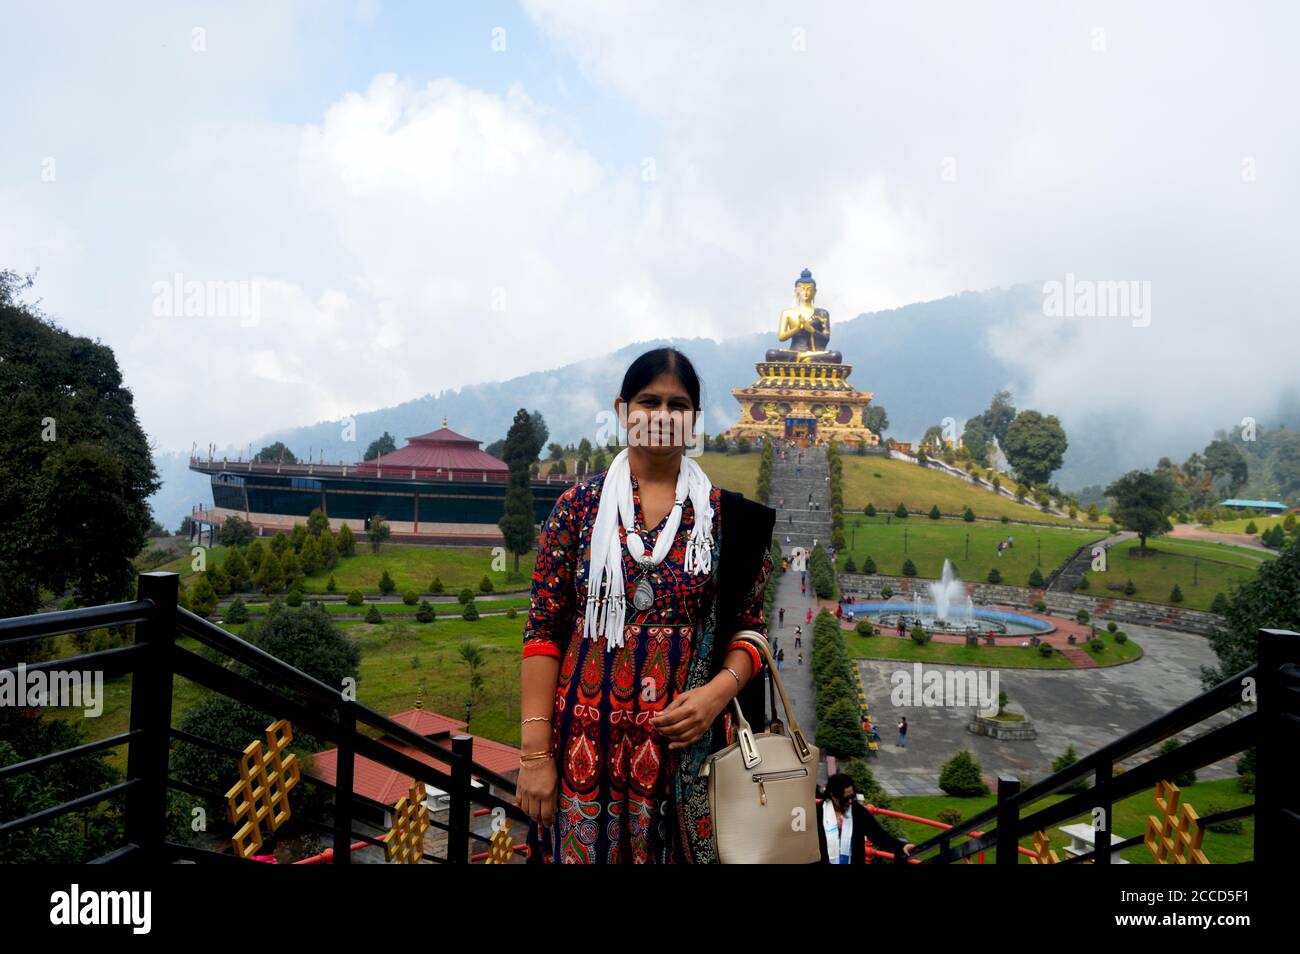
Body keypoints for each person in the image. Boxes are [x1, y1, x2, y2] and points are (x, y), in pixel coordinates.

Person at [517, 347, 776, 864]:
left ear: (694, 420)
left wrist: (715, 697)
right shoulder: (578, 510)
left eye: (677, 405)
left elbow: (751, 631)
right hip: (584, 749)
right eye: (647, 401)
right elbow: (544, 632)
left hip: (690, 753)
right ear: (622, 411)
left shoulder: (727, 519)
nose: (661, 416)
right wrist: (535, 756)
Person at [817, 774, 914, 864]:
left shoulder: (858, 811)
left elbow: (879, 835)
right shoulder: (818, 812)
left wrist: (901, 846)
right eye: (845, 798)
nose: (850, 801)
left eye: (852, 796)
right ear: (833, 795)